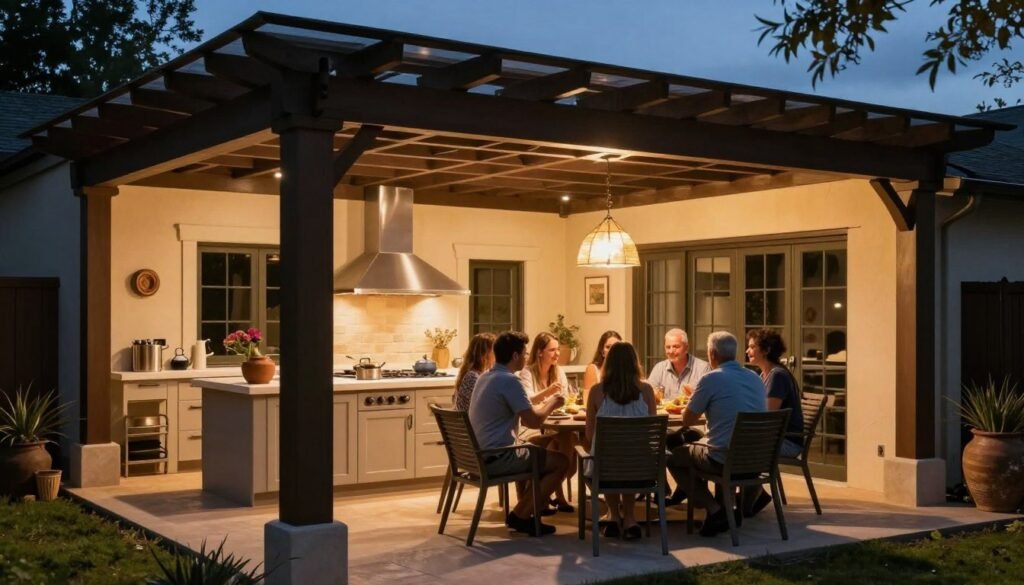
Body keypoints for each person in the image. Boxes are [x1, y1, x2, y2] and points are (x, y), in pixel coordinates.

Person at [666, 331, 766, 537]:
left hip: (724, 458)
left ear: (712, 354)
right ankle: (727, 509)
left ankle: (715, 510)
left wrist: (697, 399)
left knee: (673, 457)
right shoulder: (755, 377)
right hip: (757, 459)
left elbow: (687, 420)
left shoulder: (711, 379)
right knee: (702, 439)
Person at [468, 331, 567, 536]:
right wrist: (552, 402)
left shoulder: (486, 376)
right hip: (498, 456)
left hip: (478, 455)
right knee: (561, 462)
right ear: (514, 356)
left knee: (544, 441)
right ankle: (521, 515)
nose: (526, 357)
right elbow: (532, 421)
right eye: (524, 353)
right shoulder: (509, 381)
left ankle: (530, 506)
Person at [583, 342, 657, 540]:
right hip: (641, 471)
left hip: (605, 472)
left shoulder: (597, 392)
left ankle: (614, 516)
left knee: (606, 456)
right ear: (635, 363)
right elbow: (651, 432)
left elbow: (590, 436)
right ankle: (630, 518)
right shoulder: (647, 391)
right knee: (631, 455)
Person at [742, 328, 804, 517]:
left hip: (788, 441)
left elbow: (768, 416)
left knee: (739, 448)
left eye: (752, 347)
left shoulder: (777, 376)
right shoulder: (764, 375)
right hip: (774, 436)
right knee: (736, 444)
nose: (747, 351)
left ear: (766, 349)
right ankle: (751, 495)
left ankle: (750, 498)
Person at [647, 328, 711, 504]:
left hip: (694, 426)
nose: (670, 351)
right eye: (667, 347)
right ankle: (666, 487)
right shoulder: (659, 368)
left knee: (669, 441)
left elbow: (704, 402)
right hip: (667, 424)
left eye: (675, 346)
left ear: (686, 347)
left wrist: (692, 396)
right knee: (658, 439)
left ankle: (682, 490)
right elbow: (650, 395)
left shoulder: (702, 368)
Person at [518, 331, 575, 513]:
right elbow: (527, 401)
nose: (557, 354)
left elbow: (565, 398)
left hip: (554, 424)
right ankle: (551, 494)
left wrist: (558, 399)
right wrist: (548, 393)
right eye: (552, 350)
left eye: (558, 350)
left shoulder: (558, 371)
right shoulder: (527, 373)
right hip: (530, 428)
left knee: (568, 438)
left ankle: (554, 492)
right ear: (540, 352)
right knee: (556, 442)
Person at [452, 332, 496, 411]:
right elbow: (483, 407)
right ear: (485, 354)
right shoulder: (472, 377)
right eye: (494, 351)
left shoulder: (473, 374)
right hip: (473, 423)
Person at [582, 330, 622, 398]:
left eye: (616, 347)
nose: (612, 350)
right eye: (608, 347)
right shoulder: (593, 369)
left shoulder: (624, 371)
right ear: (602, 351)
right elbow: (587, 400)